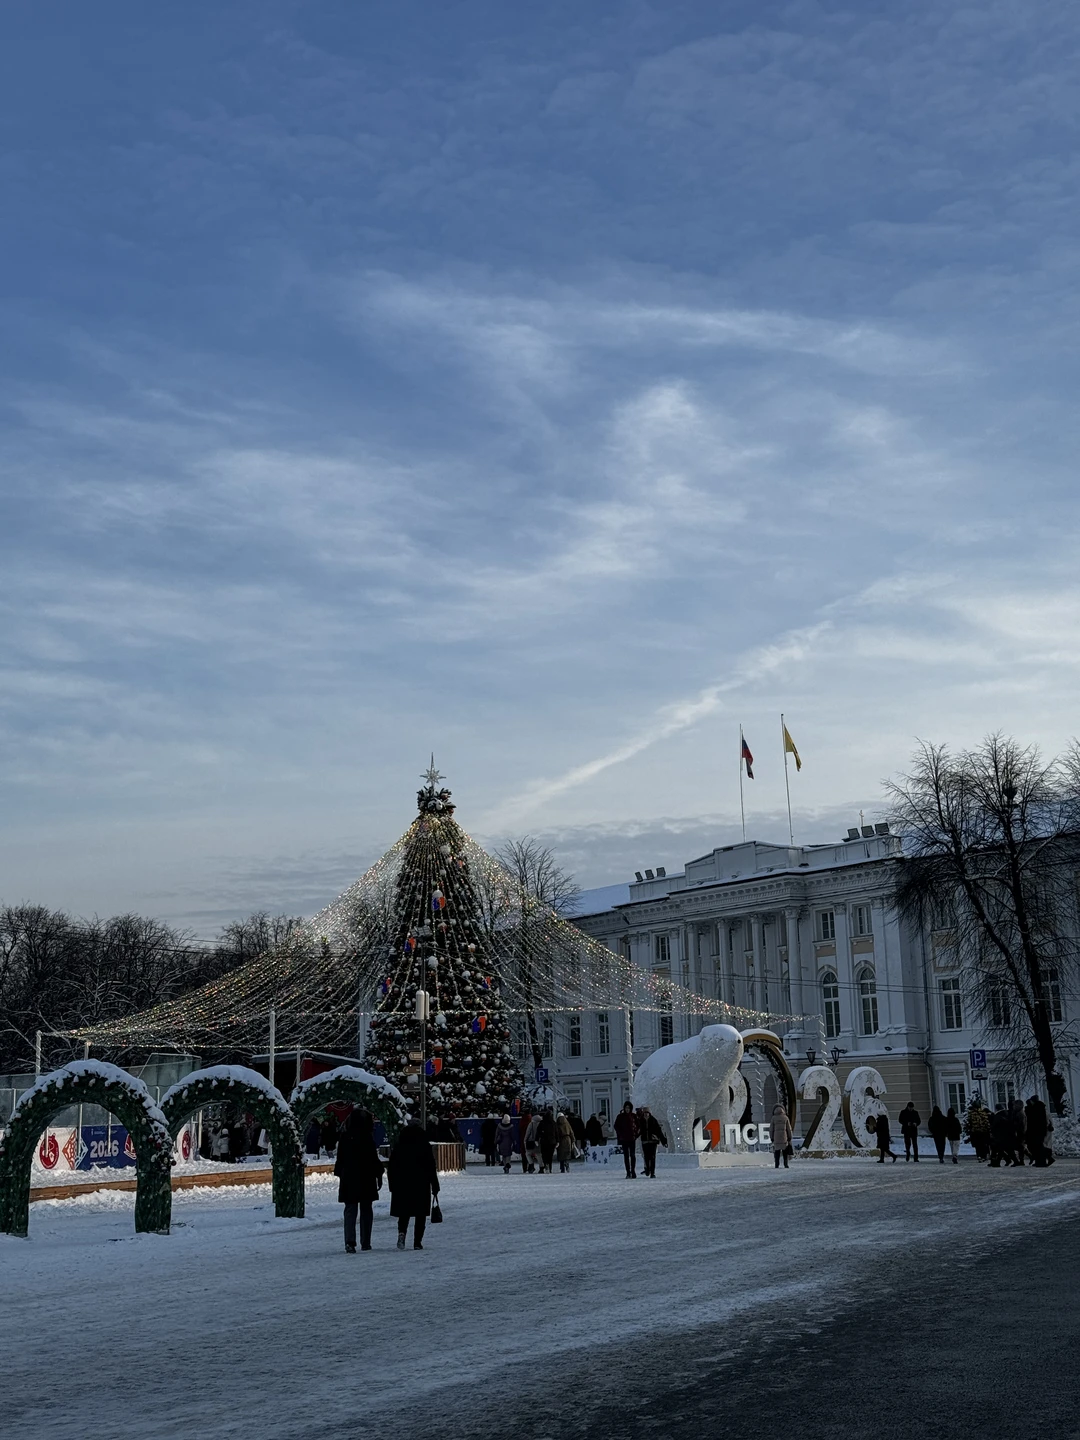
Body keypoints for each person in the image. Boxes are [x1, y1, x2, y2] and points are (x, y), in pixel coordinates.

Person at [334, 1108, 384, 1253]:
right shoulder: (367, 1137)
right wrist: (379, 1173)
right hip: (366, 1178)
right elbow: (373, 1158)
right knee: (366, 1209)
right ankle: (365, 1241)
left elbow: (340, 1159)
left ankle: (349, 1241)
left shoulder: (345, 1137)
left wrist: (341, 1173)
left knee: (350, 1209)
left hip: (349, 1178)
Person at [387, 1117, 440, 1250]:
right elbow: (430, 1166)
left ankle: (402, 1233)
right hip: (421, 1182)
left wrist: (392, 1183)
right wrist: (435, 1184)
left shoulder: (400, 1144)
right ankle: (417, 1242)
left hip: (403, 1182)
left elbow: (392, 1166)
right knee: (420, 1213)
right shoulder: (424, 1144)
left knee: (404, 1212)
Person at [637, 1105, 668, 1177]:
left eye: (647, 1113)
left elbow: (659, 1131)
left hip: (653, 1141)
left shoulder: (653, 1120)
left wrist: (663, 1141)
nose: (646, 1114)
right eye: (645, 1113)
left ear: (649, 1113)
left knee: (652, 1157)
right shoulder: (641, 1121)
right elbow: (638, 1131)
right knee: (646, 1157)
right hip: (645, 1141)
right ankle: (648, 1169)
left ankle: (652, 1172)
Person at [614, 1101, 639, 1179]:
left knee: (632, 1155)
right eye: (626, 1108)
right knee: (626, 1156)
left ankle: (633, 1171)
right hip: (624, 1138)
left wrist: (636, 1134)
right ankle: (628, 1172)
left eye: (628, 1108)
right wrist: (620, 1134)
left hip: (632, 1138)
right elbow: (616, 1126)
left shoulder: (633, 1116)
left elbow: (638, 1126)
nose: (627, 1109)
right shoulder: (620, 1116)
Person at [1025, 1096, 1051, 1167]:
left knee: (1037, 1146)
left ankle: (1042, 1161)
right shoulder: (1040, 1107)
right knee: (1037, 1146)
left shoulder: (1036, 1108)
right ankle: (1040, 1161)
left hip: (1036, 1130)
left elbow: (1034, 1120)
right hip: (1039, 1130)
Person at [769, 1103, 792, 1170]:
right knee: (785, 1152)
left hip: (776, 1138)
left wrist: (771, 1137)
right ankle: (786, 1164)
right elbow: (789, 1129)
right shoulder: (785, 1118)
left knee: (777, 1152)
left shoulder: (773, 1118)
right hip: (784, 1137)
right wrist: (790, 1137)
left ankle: (777, 1164)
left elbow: (771, 1129)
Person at [1009, 1097, 1027, 1168]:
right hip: (1019, 1132)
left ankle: (1021, 1160)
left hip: (1020, 1132)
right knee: (1020, 1147)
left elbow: (1020, 1124)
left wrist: (1016, 1129)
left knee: (1019, 1147)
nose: (1013, 1107)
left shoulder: (1020, 1114)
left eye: (1014, 1105)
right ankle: (1022, 1160)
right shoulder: (1017, 1113)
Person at [538, 1109, 557, 1174]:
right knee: (550, 1155)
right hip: (552, 1142)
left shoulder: (542, 1123)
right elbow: (556, 1133)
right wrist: (558, 1141)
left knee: (544, 1155)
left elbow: (538, 1132)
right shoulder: (553, 1123)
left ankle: (546, 1164)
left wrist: (536, 1139)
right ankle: (550, 1167)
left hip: (544, 1141)